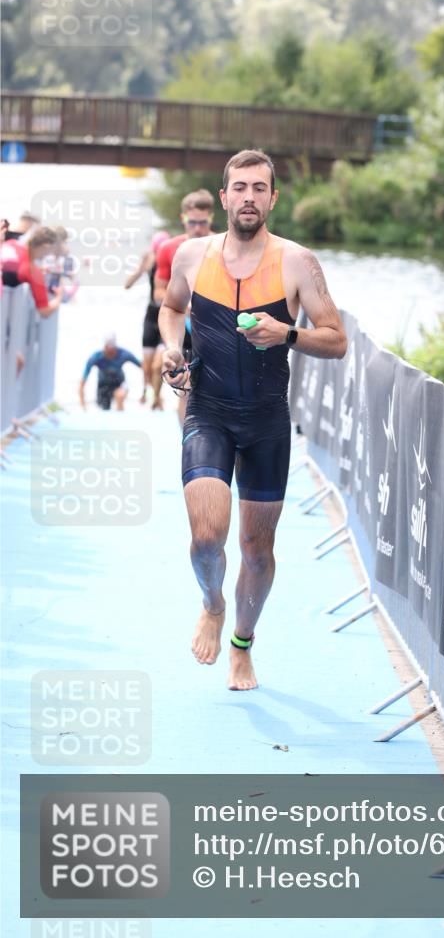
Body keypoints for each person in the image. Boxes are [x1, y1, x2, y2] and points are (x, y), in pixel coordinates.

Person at [159, 149, 347, 690]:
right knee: (205, 540)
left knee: (257, 552)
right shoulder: (192, 255)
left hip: (266, 422)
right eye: (238, 188)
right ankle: (213, 604)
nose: (248, 197)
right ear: (223, 197)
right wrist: (173, 350)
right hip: (208, 411)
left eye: (258, 189)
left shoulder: (297, 262)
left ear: (272, 199)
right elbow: (171, 310)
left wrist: (286, 333)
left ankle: (243, 643)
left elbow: (336, 341)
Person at [153, 189, 215, 422]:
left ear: (211, 218)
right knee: (186, 390)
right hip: (183, 326)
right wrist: (183, 304)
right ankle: (189, 448)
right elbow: (158, 292)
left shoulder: (223, 246)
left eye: (203, 222)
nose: (197, 228)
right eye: (192, 222)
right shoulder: (169, 249)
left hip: (212, 328)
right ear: (183, 219)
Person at [124, 230, 170, 408]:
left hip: (166, 316)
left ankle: (157, 398)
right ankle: (151, 393)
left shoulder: (175, 260)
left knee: (158, 365)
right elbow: (127, 285)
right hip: (151, 316)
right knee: (147, 366)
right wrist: (140, 269)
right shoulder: (149, 260)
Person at [1, 226, 62, 318]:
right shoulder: (33, 272)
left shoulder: (10, 243)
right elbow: (44, 312)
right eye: (50, 251)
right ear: (45, 247)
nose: (49, 256)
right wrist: (59, 297)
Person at [79, 333, 142, 411]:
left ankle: (120, 416)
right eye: (108, 348)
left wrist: (146, 390)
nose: (110, 351)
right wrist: (83, 405)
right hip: (103, 386)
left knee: (120, 395)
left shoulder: (123, 354)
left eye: (112, 349)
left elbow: (143, 367)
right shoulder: (96, 357)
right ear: (104, 347)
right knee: (104, 407)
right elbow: (83, 381)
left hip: (119, 383)